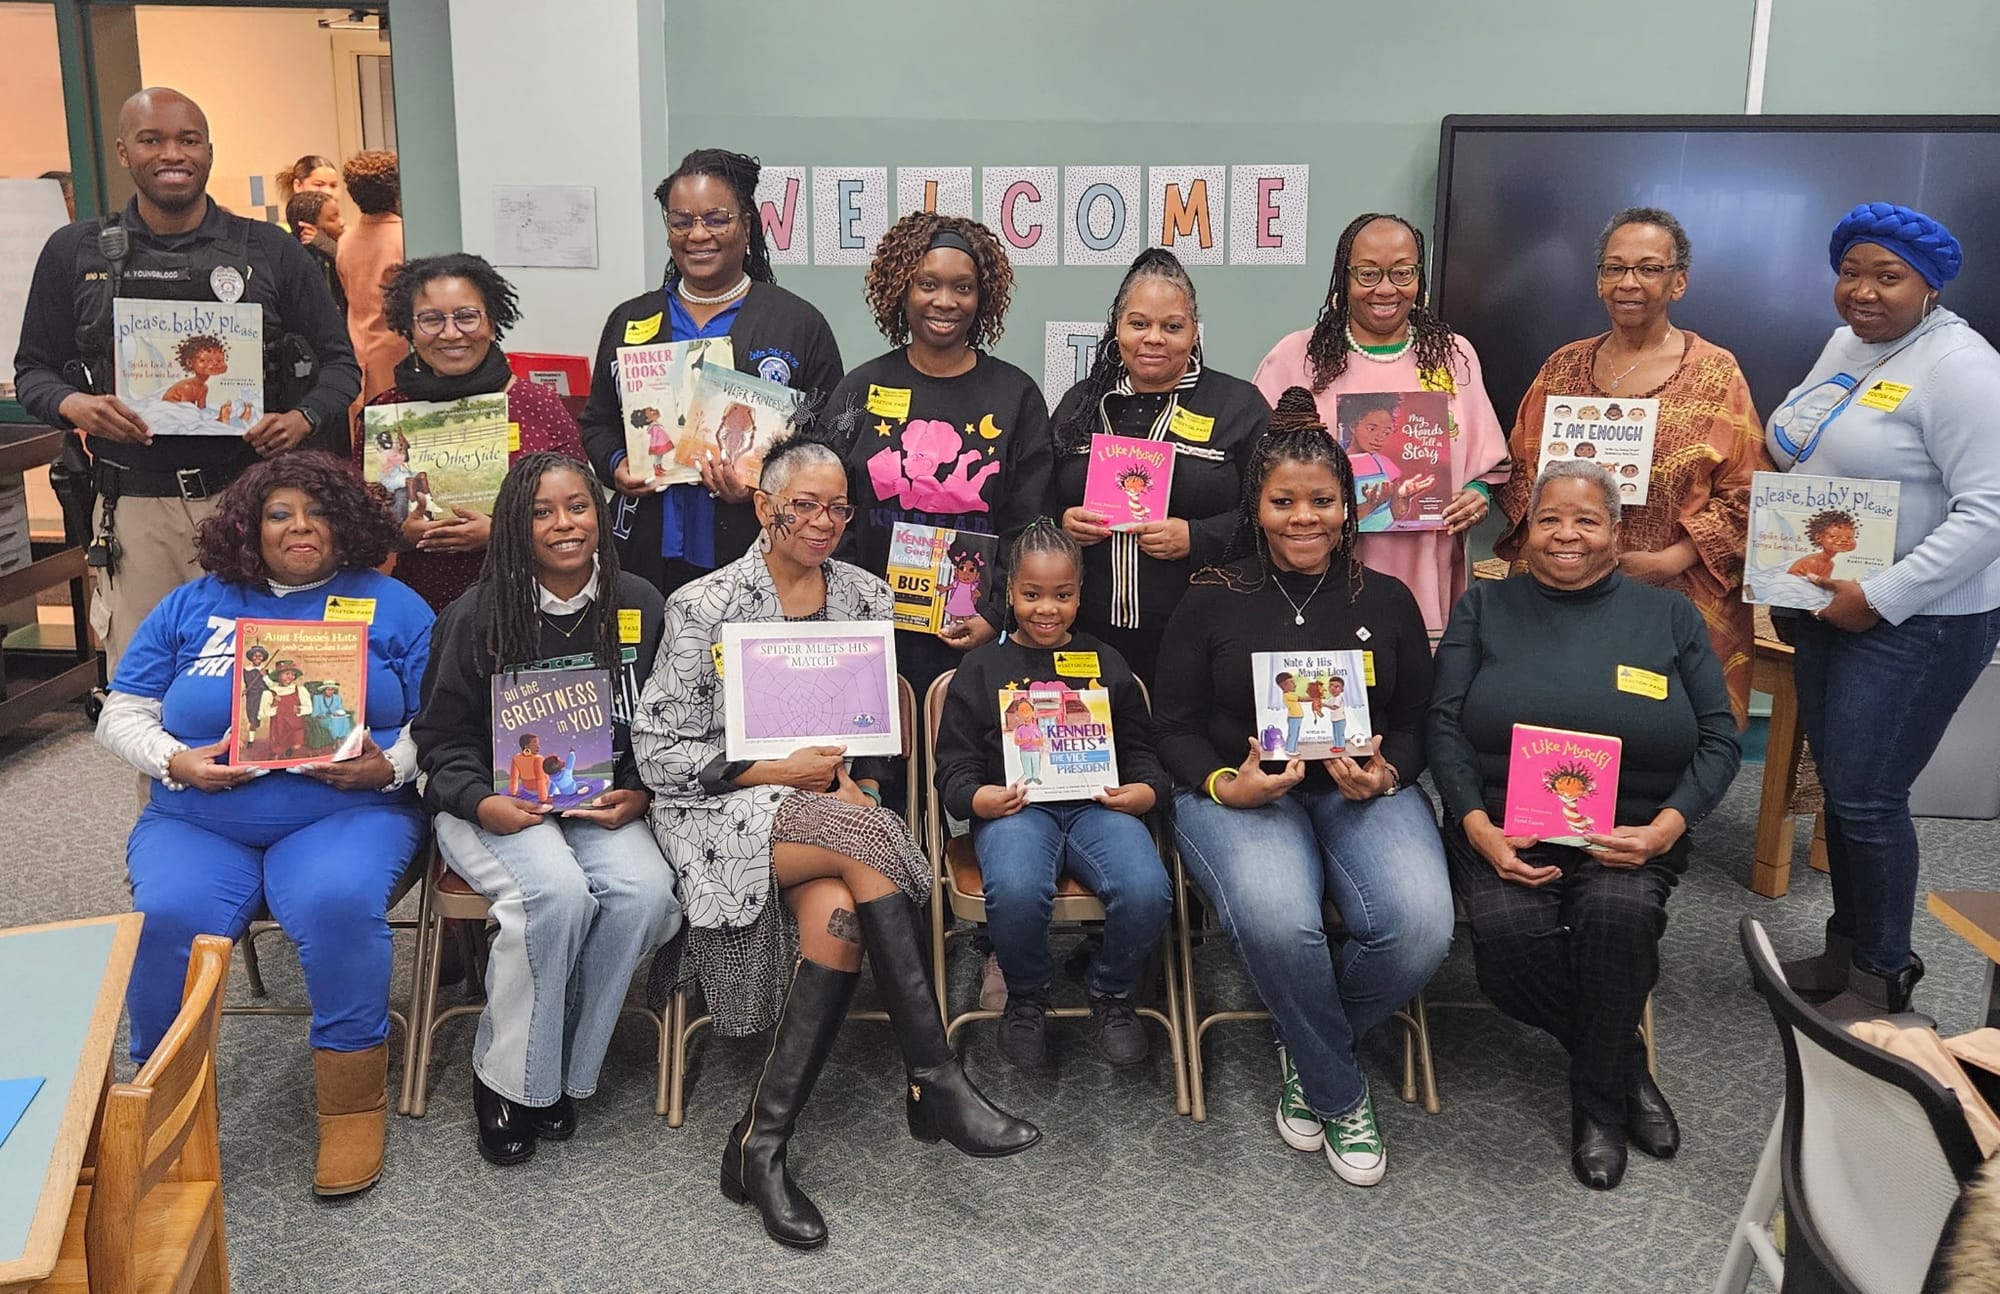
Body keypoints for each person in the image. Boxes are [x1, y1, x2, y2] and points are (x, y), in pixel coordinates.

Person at [633, 435, 1036, 1251]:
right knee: (868, 849)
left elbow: (865, 735)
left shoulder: (862, 595)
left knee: (841, 921)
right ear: (764, 506)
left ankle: (761, 1144)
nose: (822, 521)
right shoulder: (704, 604)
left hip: (830, 808)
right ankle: (935, 1076)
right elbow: (659, 753)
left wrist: (852, 780)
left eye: (838, 507)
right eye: (804, 504)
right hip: (722, 812)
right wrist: (775, 768)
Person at [91, 451, 431, 1197]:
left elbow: (442, 723)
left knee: (335, 903)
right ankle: (160, 1102)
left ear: (347, 524)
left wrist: (391, 765)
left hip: (346, 811)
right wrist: (176, 760)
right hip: (201, 816)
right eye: (280, 514)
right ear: (250, 526)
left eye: (317, 513)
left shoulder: (395, 606)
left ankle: (351, 1107)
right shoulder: (194, 604)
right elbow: (122, 709)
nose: (300, 528)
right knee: (164, 914)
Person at [1153, 388, 1454, 1187]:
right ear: (1256, 505)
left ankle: (1306, 1034)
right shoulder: (1212, 596)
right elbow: (1173, 726)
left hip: (1361, 791)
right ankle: (1339, 1088)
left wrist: (1392, 772)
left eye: (1322, 501)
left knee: (1420, 924)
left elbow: (1422, 719)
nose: (1304, 518)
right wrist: (1227, 785)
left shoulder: (1385, 600)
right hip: (1241, 796)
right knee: (1283, 923)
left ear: (1348, 508)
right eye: (1283, 501)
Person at [1428, 460, 1741, 1191]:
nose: (1566, 534)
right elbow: (1443, 726)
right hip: (1505, 828)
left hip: (1629, 834)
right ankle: (1622, 1059)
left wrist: (1665, 830)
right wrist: (1477, 827)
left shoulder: (1668, 615)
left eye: (1587, 520)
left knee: (1617, 918)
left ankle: (1596, 1104)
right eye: (1548, 519)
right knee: (1506, 950)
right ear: (1525, 531)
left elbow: (1721, 739)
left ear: (1616, 532)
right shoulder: (1485, 607)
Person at [12, 87, 359, 675]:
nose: (173, 153)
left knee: (270, 675)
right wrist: (75, 405)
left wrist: (302, 417)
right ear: (125, 151)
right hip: (136, 505)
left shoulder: (268, 251)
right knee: (149, 682)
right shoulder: (76, 251)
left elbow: (341, 365)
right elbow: (32, 372)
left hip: (253, 498)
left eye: (188, 140)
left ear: (209, 151)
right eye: (153, 140)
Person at [413, 453, 681, 1166]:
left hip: (597, 802)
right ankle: (506, 1080)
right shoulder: (476, 615)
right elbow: (438, 741)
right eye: (541, 511)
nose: (564, 524)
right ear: (512, 526)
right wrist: (482, 801)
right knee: (555, 894)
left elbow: (663, 724)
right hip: (491, 805)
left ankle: (557, 1064)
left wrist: (643, 789)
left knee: (646, 893)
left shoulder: (642, 603)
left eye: (578, 506)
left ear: (600, 513)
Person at [1767, 203, 2000, 1019]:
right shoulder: (1852, 344)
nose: (1863, 291)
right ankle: (1845, 955)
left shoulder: (1963, 370)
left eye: (1887, 276)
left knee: (1869, 795)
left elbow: (1991, 512)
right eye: (1851, 272)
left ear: (1929, 285)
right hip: (1836, 602)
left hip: (1919, 621)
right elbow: (1812, 437)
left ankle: (1885, 977)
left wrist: (1884, 594)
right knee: (1841, 785)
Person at [1494, 207, 1770, 725]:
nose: (1630, 282)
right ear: (1599, 281)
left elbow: (1747, 493)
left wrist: (1670, 560)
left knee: (1653, 737)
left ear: (1679, 282)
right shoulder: (1562, 366)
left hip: (1672, 593)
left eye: (1649, 268)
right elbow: (1519, 472)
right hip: (1560, 585)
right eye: (1615, 268)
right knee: (1551, 728)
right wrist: (1557, 541)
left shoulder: (1714, 373)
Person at [932, 520, 1174, 1068]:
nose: (1047, 609)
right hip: (1015, 811)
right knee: (1015, 890)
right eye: (1031, 594)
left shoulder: (1108, 663)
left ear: (1080, 594)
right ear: (1010, 592)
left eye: (1062, 596)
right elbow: (954, 766)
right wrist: (978, 800)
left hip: (1098, 809)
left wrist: (1145, 791)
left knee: (1147, 888)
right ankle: (1027, 995)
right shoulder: (981, 667)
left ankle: (1111, 991)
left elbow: (1142, 751)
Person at [579, 148, 843, 598]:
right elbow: (598, 421)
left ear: (746, 224)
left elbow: (834, 431)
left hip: (757, 554)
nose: (698, 234)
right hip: (647, 552)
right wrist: (617, 466)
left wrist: (768, 485)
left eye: (716, 219)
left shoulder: (797, 323)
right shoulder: (630, 320)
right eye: (681, 221)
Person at [824, 211, 1051, 698]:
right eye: (928, 284)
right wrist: (852, 612)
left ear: (981, 296)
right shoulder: (860, 389)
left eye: (962, 287)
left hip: (978, 637)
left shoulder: (1016, 396)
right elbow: (826, 511)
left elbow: (1030, 524)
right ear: (901, 289)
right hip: (871, 635)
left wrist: (997, 614)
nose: (945, 301)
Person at [1252, 212, 1509, 636]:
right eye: (1369, 273)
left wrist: (1477, 495)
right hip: (1321, 572)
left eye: (1403, 272)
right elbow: (1256, 467)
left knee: (1412, 687)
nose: (1386, 288)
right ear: (1344, 277)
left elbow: (1484, 463)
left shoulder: (1452, 355)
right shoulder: (1296, 357)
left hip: (1427, 566)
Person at [1049, 248, 1271, 684]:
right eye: (1138, 324)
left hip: (1201, 628)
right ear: (1118, 329)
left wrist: (1197, 536)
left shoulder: (1237, 406)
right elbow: (1035, 496)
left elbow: (1272, 512)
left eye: (1172, 326)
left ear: (1193, 333)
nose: (1154, 338)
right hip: (1084, 632)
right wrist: (1061, 523)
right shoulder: (1080, 404)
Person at [364, 253, 589, 609]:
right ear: (409, 328)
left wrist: (501, 532)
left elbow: (581, 510)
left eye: (467, 317)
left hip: (532, 603)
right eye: (431, 320)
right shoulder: (385, 412)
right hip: (423, 605)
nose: (451, 333)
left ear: (493, 322)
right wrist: (398, 534)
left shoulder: (537, 404)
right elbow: (360, 523)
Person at [336, 148, 405, 407]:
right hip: (397, 354)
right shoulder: (405, 239)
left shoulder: (346, 241)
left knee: (362, 437)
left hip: (358, 352)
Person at [287, 191, 347, 317]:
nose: (342, 222)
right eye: (332, 218)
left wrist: (329, 246)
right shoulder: (297, 257)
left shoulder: (337, 247)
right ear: (307, 228)